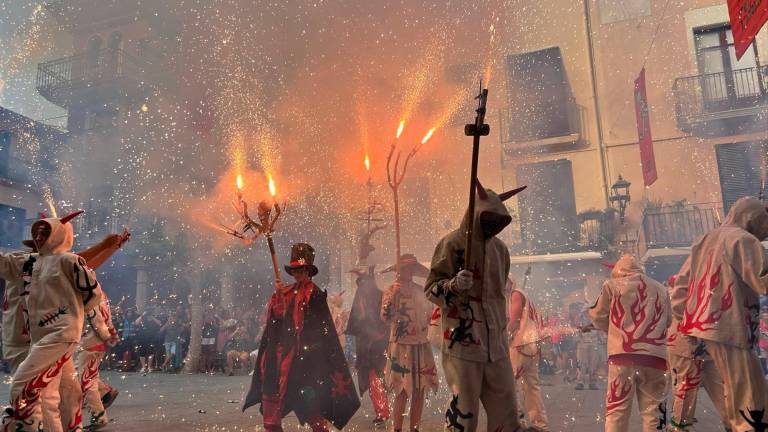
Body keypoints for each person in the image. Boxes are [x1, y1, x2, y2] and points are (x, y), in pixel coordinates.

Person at [424, 182, 526, 432]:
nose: (494, 226)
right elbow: (431, 289)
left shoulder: (501, 251)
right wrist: (454, 286)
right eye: (490, 219)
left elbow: (498, 293)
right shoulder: (451, 244)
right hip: (464, 345)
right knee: (464, 416)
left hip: (497, 346)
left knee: (507, 415)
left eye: (499, 221)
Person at [670, 197, 768, 431]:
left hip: (703, 328)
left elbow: (681, 288)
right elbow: (763, 279)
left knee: (736, 391)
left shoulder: (704, 240)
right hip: (731, 327)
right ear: (751, 218)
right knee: (750, 397)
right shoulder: (742, 239)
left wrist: (688, 322)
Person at [2, 212, 104, 432]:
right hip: (32, 340)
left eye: (45, 232)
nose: (38, 239)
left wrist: (68, 313)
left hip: (57, 336)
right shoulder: (25, 262)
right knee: (56, 392)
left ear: (58, 237)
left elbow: (91, 293)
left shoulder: (68, 261)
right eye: (36, 233)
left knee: (28, 388)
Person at [243, 243, 360, 431]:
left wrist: (313, 353)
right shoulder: (285, 293)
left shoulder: (316, 295)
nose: (298, 274)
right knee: (273, 412)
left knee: (312, 408)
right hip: (283, 362)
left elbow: (323, 331)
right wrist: (278, 300)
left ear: (308, 271)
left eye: (301, 270)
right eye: (295, 270)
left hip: (307, 364)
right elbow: (276, 322)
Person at [589, 254, 671, 432]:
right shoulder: (661, 289)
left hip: (621, 358)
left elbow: (597, 316)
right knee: (655, 413)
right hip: (655, 358)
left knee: (617, 411)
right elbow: (669, 321)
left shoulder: (612, 285)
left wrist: (612, 331)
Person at [666, 275, 732, 431]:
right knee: (720, 388)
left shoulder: (675, 296)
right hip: (708, 346)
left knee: (686, 387)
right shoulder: (709, 291)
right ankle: (735, 422)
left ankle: (680, 426)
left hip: (686, 347)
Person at [380, 254, 438, 432]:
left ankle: (415, 429)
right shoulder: (390, 291)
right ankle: (397, 429)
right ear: (399, 270)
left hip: (420, 345)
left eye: (411, 268)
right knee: (401, 390)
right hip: (400, 346)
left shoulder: (421, 290)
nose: (408, 271)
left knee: (419, 389)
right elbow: (384, 317)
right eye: (405, 268)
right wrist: (393, 296)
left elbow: (431, 315)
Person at [346, 265, 390, 428]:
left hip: (380, 346)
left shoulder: (380, 297)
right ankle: (381, 412)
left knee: (380, 378)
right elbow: (357, 324)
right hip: (366, 348)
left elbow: (387, 319)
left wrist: (378, 335)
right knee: (373, 379)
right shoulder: (361, 299)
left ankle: (384, 411)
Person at [507, 277, 549, 431]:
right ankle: (540, 424)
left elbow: (513, 321)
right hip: (531, 345)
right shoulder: (524, 295)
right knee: (531, 386)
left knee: (509, 382)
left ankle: (517, 420)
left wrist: (501, 338)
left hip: (521, 345)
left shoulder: (516, 294)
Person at [76, 290, 119, 429]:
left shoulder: (85, 289)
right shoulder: (100, 292)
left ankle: (98, 416)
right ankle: (105, 392)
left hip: (89, 341)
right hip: (96, 341)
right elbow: (107, 316)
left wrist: (108, 336)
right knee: (88, 376)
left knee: (86, 380)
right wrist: (111, 333)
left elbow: (96, 316)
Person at [134, 307, 162, 374]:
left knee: (151, 352)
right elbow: (136, 323)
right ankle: (143, 367)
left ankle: (149, 367)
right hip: (142, 338)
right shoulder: (142, 317)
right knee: (142, 352)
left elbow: (160, 323)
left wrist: (152, 317)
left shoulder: (154, 318)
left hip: (151, 338)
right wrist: (142, 315)